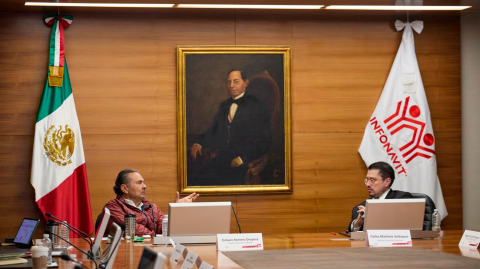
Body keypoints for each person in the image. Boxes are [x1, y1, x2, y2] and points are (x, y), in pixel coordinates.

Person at [189, 69, 272, 186]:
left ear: (246, 83)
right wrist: (199, 143)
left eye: (236, 81)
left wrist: (243, 158)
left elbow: (265, 140)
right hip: (222, 158)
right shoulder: (224, 105)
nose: (231, 85)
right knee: (199, 180)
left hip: (243, 161)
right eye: (229, 82)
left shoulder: (256, 106)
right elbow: (213, 130)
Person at [103, 168, 199, 236]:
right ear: (125, 188)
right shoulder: (113, 208)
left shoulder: (151, 207)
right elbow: (135, 231)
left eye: (143, 182)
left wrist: (177, 211)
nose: (145, 186)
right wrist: (156, 236)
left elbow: (165, 229)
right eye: (139, 183)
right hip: (123, 254)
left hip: (149, 252)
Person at [347, 161, 413, 232]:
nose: (368, 184)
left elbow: (406, 228)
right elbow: (351, 236)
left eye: (372, 180)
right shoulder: (359, 208)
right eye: (367, 180)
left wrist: (374, 216)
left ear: (387, 182)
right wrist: (358, 224)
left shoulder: (403, 200)